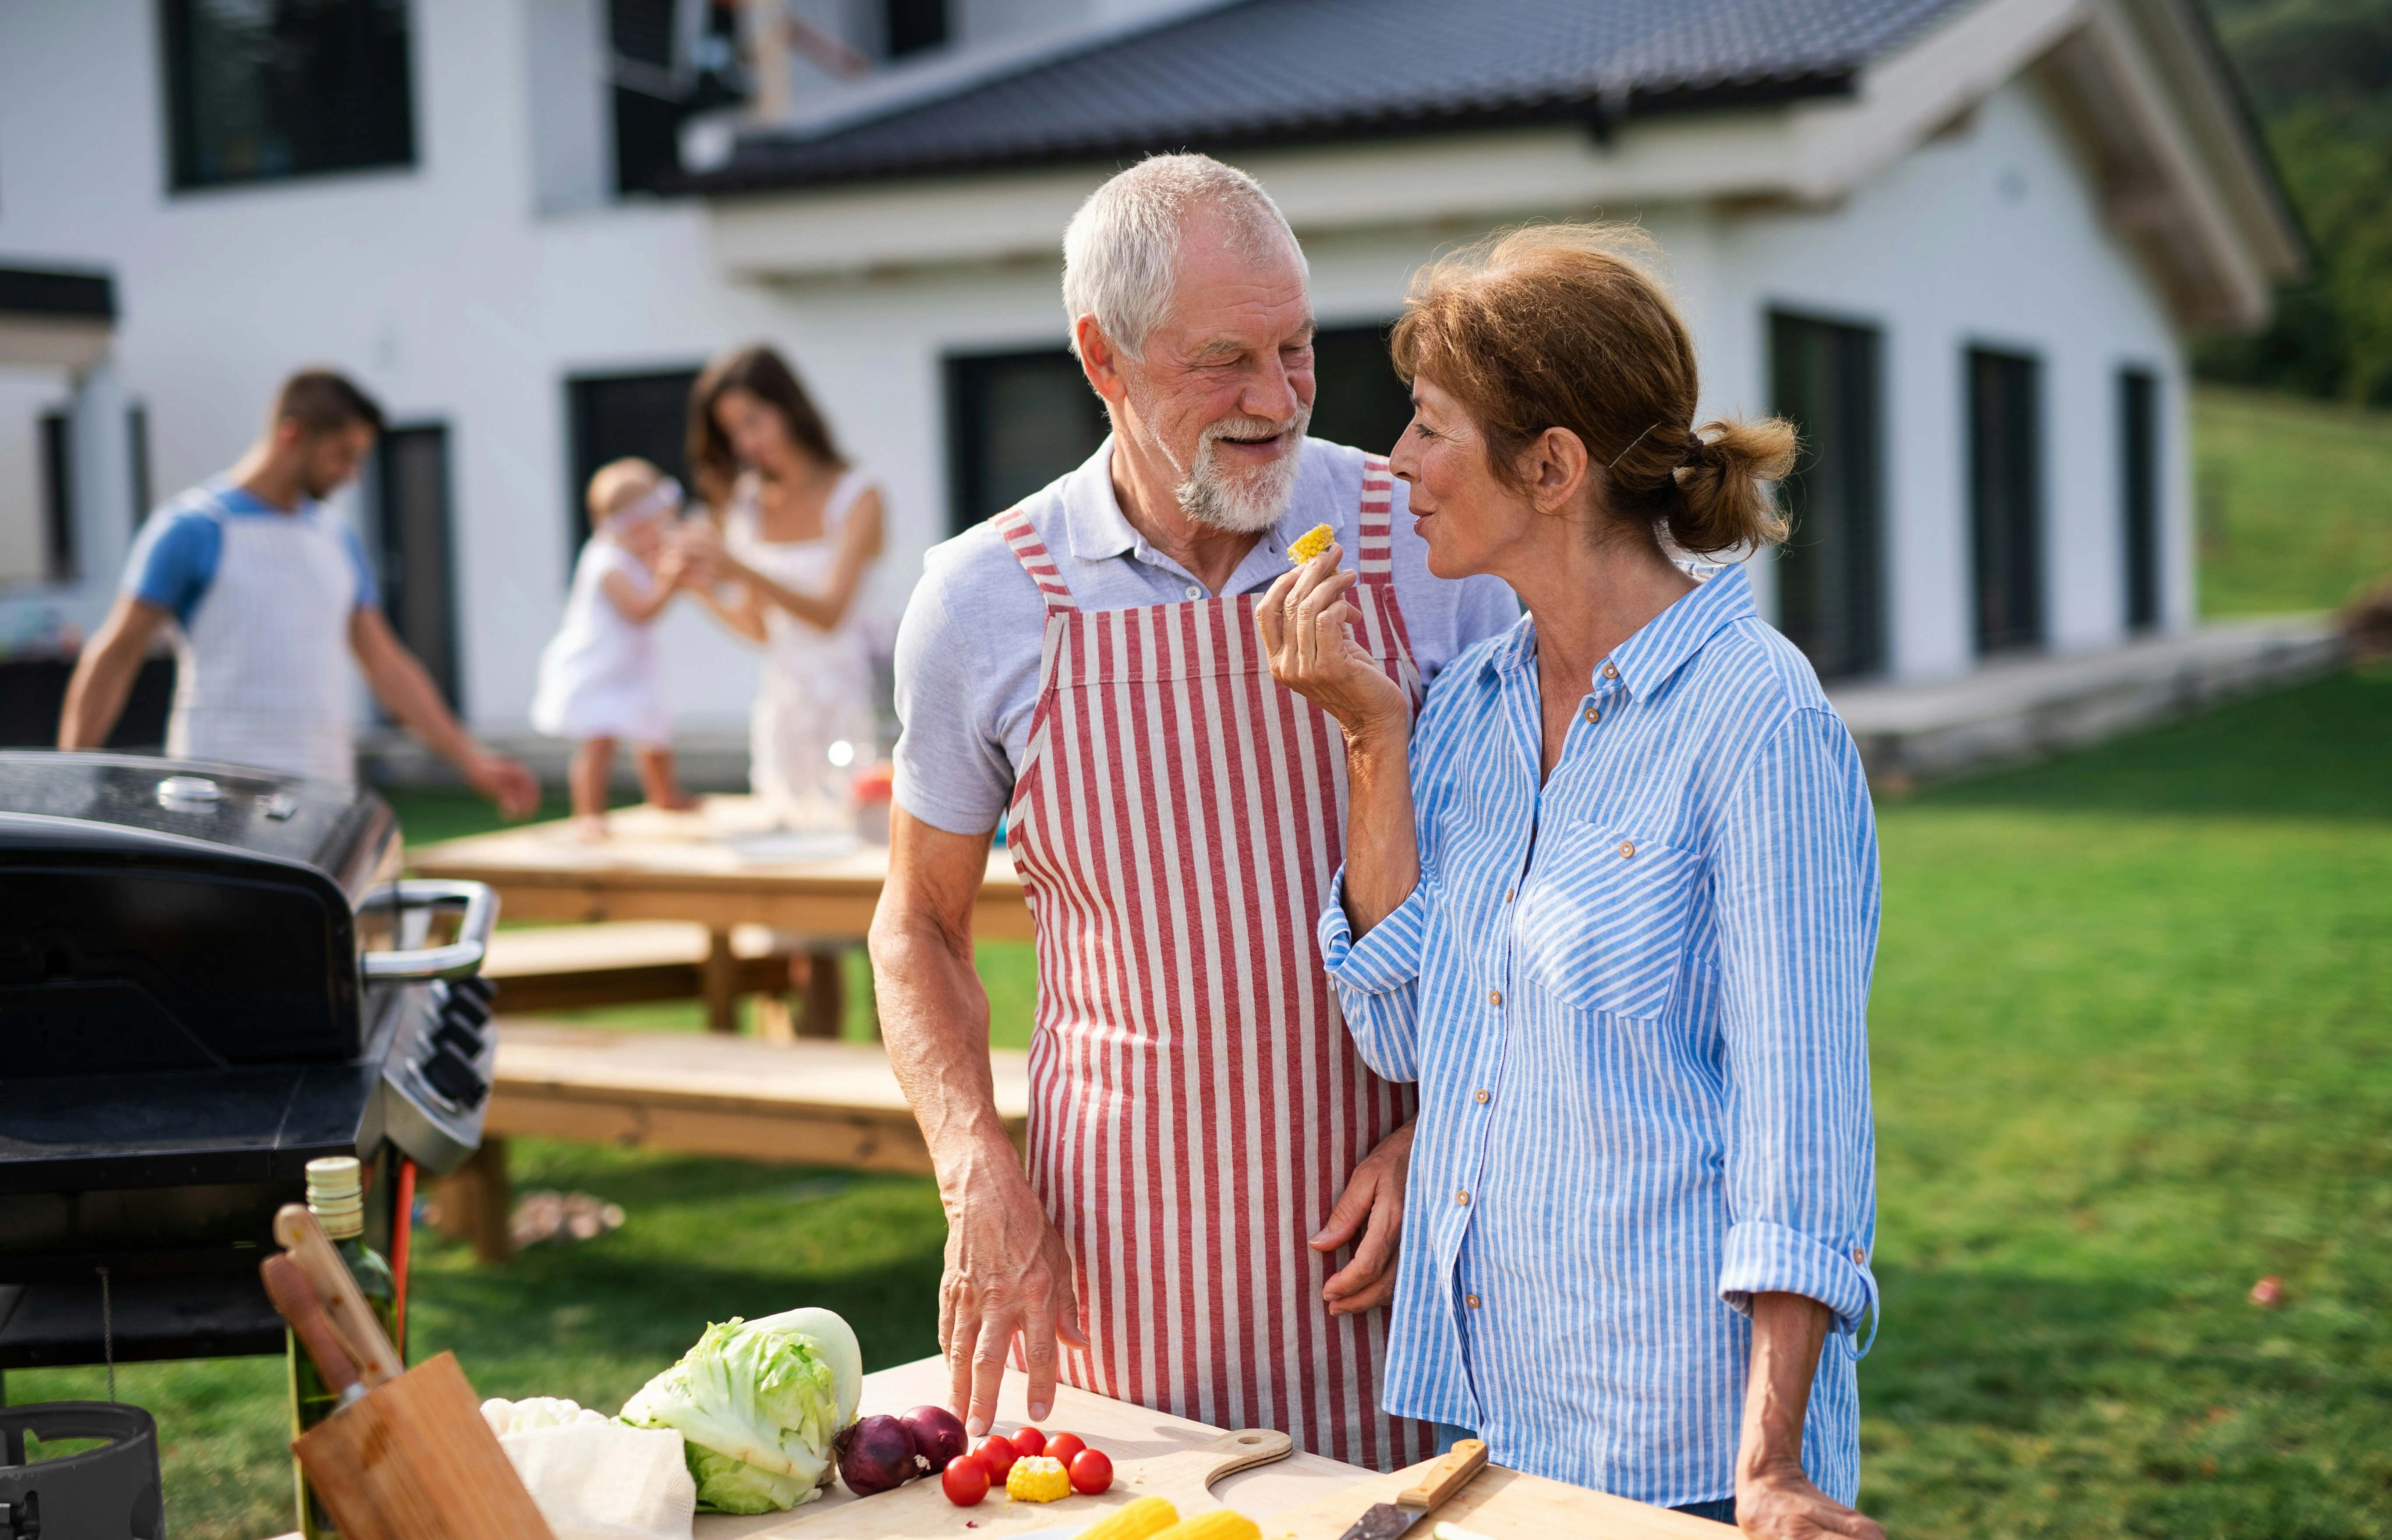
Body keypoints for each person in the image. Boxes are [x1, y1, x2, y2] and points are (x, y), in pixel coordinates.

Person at [869, 153, 1516, 1470]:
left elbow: (1548, 887)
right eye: (1224, 361)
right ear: (1100, 359)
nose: (1274, 400)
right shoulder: (982, 599)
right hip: (1130, 1271)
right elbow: (917, 926)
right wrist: (973, 1166)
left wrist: (1448, 1120)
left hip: (1424, 1255)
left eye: (1296, 350)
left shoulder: (1427, 541)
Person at [1258, 226, 1883, 1536]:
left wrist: (1767, 1463)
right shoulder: (1467, 707)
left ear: (1548, 467)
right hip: (1493, 1415)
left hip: (1685, 1443)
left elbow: (1801, 1129)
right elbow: (1399, 1027)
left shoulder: (1752, 717)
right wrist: (1373, 741)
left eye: (1430, 429)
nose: (1397, 465)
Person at [60, 369, 537, 815]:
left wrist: (471, 760)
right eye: (344, 455)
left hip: (320, 796)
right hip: (216, 797)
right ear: (293, 435)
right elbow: (116, 655)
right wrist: (68, 782)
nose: (353, 473)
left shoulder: (336, 538)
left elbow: (389, 667)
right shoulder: (191, 528)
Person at [680, 344, 883, 833]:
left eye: (753, 420)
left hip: (858, 703)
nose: (746, 442)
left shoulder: (859, 494)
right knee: (786, 851)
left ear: (787, 407)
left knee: (863, 847)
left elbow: (830, 613)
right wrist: (698, 587)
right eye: (732, 432)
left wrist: (740, 568)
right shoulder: (747, 507)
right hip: (786, 709)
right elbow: (759, 629)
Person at [530, 459, 702, 837]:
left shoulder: (632, 557)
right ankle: (589, 812)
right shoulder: (605, 562)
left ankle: (665, 793)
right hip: (602, 666)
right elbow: (641, 611)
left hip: (632, 664)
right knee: (600, 738)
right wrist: (670, 582)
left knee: (656, 725)